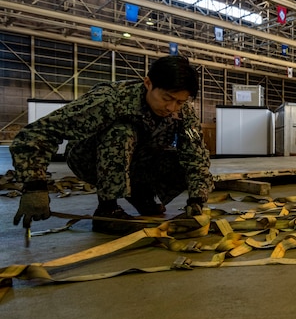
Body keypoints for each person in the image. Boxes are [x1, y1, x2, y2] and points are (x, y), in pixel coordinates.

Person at [10, 56, 214, 235]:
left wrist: (196, 201)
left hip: (139, 159)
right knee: (122, 131)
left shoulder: (182, 111)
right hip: (88, 159)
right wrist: (34, 187)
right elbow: (38, 132)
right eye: (167, 98)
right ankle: (107, 209)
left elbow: (195, 156)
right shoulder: (111, 100)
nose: (172, 108)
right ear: (148, 83)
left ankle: (139, 193)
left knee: (184, 159)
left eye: (179, 102)